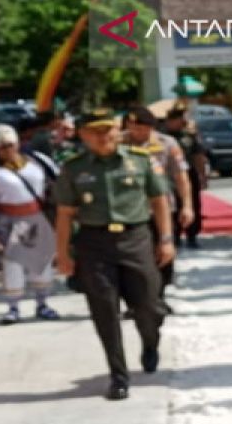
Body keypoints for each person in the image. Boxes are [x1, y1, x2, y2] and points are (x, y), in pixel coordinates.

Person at [54, 109, 173, 401]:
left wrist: (166, 239)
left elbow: (159, 201)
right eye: (95, 131)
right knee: (105, 312)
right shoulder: (74, 168)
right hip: (95, 244)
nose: (103, 136)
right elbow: (65, 214)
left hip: (136, 239)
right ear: (83, 135)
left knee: (149, 305)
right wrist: (63, 254)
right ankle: (119, 376)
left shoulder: (140, 161)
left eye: (108, 130)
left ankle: (150, 342)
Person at [0, 124, 59, 324]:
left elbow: (54, 185)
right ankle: (13, 308)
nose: (7, 150)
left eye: (10, 145)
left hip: (35, 217)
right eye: (1, 147)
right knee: (12, 266)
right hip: (8, 221)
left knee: (41, 265)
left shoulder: (37, 162)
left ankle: (42, 304)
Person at [123, 107, 192, 307]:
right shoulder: (118, 143)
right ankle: (136, 301)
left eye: (141, 128)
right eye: (132, 128)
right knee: (133, 258)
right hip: (129, 210)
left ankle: (158, 296)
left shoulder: (167, 144)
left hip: (162, 208)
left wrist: (187, 205)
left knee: (164, 252)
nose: (136, 132)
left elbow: (181, 176)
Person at [162, 108, 208, 248]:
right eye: (178, 119)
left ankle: (192, 235)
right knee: (172, 205)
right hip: (168, 176)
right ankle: (174, 236)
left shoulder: (189, 136)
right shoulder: (162, 137)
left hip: (188, 173)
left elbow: (198, 156)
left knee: (192, 203)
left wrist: (202, 175)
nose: (182, 121)